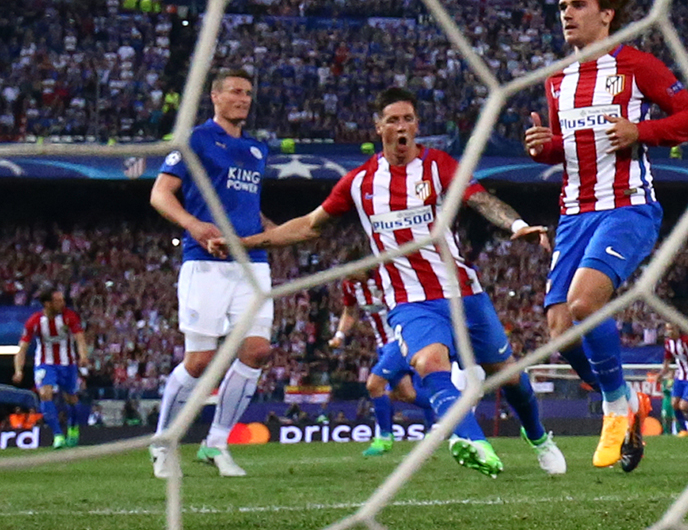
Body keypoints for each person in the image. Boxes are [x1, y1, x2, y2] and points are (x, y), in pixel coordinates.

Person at [222, 87, 563, 477]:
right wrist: (247, 242)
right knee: (427, 362)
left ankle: (538, 438)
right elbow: (311, 226)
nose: (402, 127)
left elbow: (480, 199)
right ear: (379, 126)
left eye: (408, 119)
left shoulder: (438, 166)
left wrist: (517, 224)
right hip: (409, 300)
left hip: (464, 293)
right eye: (393, 120)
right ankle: (472, 440)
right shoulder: (360, 182)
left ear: (417, 126)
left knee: (510, 376)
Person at [523, 0, 688, 472]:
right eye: (561, 6)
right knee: (559, 330)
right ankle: (629, 399)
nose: (566, 13)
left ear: (606, 15)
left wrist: (640, 132)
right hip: (574, 213)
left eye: (577, 4)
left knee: (582, 305)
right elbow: (575, 148)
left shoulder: (636, 65)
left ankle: (612, 409)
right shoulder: (558, 79)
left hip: (628, 206)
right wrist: (546, 148)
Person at [148, 68, 274, 478]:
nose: (244, 98)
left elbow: (244, 204)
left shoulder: (257, 150)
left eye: (249, 93)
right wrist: (195, 226)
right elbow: (160, 193)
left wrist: (271, 230)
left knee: (257, 352)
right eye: (236, 91)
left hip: (251, 264)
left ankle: (216, 443)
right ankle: (163, 442)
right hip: (205, 264)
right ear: (215, 97)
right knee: (200, 361)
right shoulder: (196, 140)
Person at [328, 271, 438, 457]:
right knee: (408, 394)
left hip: (402, 340)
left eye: (353, 269)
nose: (349, 275)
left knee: (374, 384)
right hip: (383, 345)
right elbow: (350, 312)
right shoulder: (350, 285)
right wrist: (339, 335)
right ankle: (453, 407)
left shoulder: (386, 277)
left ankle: (384, 439)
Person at [14, 287, 90, 448]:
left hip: (68, 364)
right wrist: (18, 370)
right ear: (47, 303)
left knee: (71, 399)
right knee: (45, 393)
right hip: (45, 363)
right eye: (58, 300)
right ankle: (57, 435)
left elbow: (80, 339)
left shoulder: (69, 317)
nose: (63, 303)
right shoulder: (34, 321)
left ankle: (73, 427)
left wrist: (83, 356)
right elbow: (22, 348)